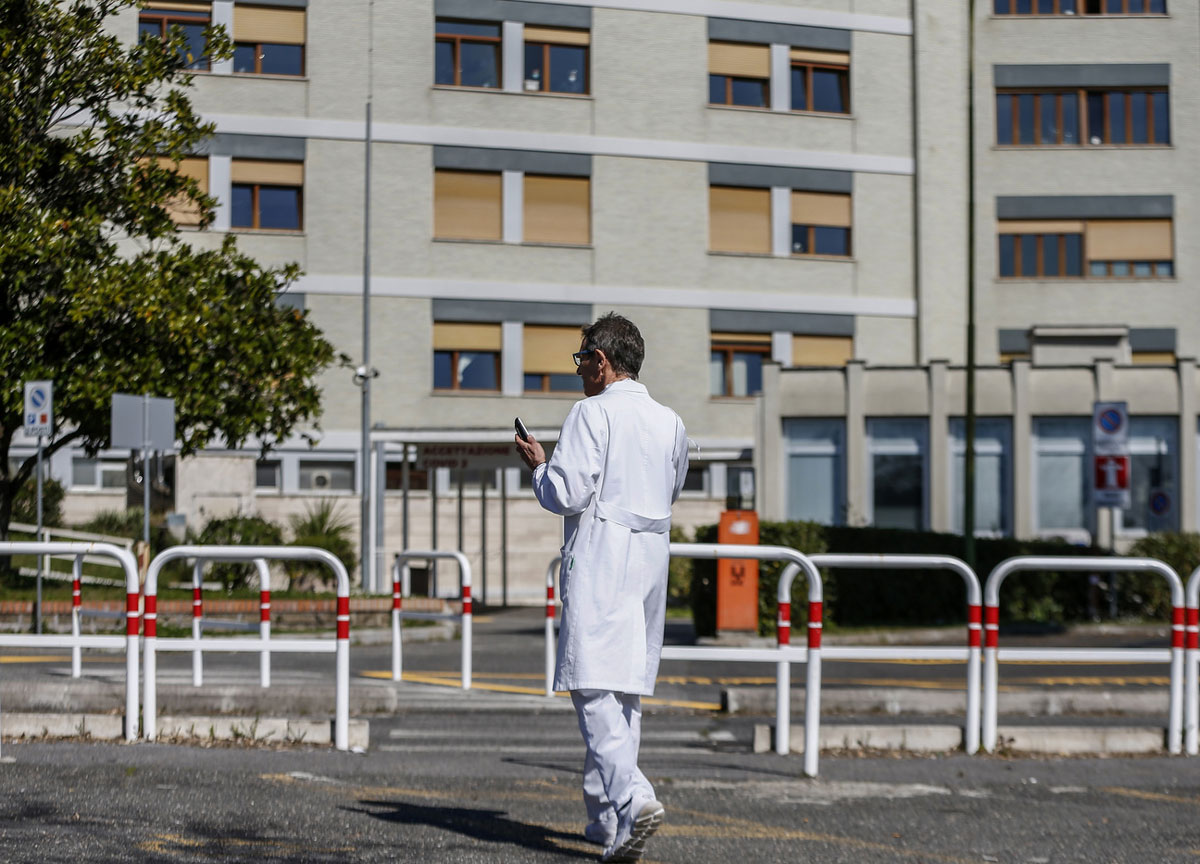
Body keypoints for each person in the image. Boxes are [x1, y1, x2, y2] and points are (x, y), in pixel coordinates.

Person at [515, 313, 688, 863]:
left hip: (605, 551)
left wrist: (539, 467)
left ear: (603, 361)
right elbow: (675, 481)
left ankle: (634, 798)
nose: (579, 369)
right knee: (625, 689)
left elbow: (566, 493)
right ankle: (608, 823)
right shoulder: (671, 421)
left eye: (582, 359)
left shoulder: (591, 412)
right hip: (652, 551)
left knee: (592, 685)